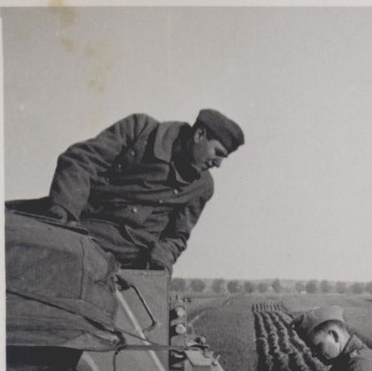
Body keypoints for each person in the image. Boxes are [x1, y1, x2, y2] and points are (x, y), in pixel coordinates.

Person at [17, 109, 244, 270]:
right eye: (218, 153)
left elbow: (177, 236)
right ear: (199, 135)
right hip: (77, 224)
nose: (218, 164)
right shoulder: (140, 130)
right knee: (3, 226)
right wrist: (63, 215)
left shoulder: (202, 186)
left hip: (129, 253)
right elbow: (81, 161)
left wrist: (162, 256)